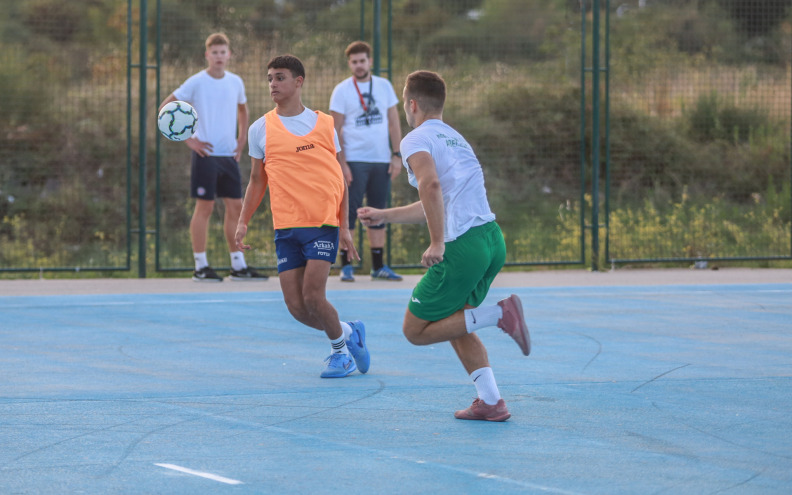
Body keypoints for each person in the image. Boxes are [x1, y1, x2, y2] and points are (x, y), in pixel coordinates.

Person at [357, 70, 531, 421]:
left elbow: (430, 186)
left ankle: (500, 314)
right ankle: (492, 401)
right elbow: (437, 199)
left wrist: (437, 242)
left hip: (462, 247)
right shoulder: (454, 138)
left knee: (415, 330)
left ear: (412, 104)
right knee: (455, 320)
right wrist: (385, 216)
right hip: (490, 239)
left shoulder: (414, 139)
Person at [235, 54, 370, 378]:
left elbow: (339, 178)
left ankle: (341, 354)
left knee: (313, 295)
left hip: (322, 225)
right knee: (297, 308)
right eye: (269, 78)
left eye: (279, 77)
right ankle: (350, 332)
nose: (273, 84)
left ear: (298, 82)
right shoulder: (260, 129)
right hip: (286, 227)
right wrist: (243, 220)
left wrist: (345, 226)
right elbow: (257, 181)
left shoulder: (324, 124)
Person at [159, 32, 267, 282]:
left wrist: (241, 140)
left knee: (236, 208)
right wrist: (189, 139)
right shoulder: (196, 82)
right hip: (205, 155)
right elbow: (166, 108)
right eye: (214, 53)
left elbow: (243, 110)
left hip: (228, 156)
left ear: (229, 55)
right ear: (207, 55)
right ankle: (200, 266)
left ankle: (238, 266)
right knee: (205, 207)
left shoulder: (236, 82)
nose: (219, 57)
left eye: (223, 52)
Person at [329, 41, 403, 282]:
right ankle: (346, 265)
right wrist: (343, 163)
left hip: (381, 160)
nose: (359, 65)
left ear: (370, 62)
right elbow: (335, 130)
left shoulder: (384, 86)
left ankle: (378, 266)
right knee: (349, 212)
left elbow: (394, 122)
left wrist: (397, 155)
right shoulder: (341, 90)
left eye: (362, 60)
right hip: (355, 161)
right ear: (349, 64)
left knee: (378, 212)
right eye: (354, 61)